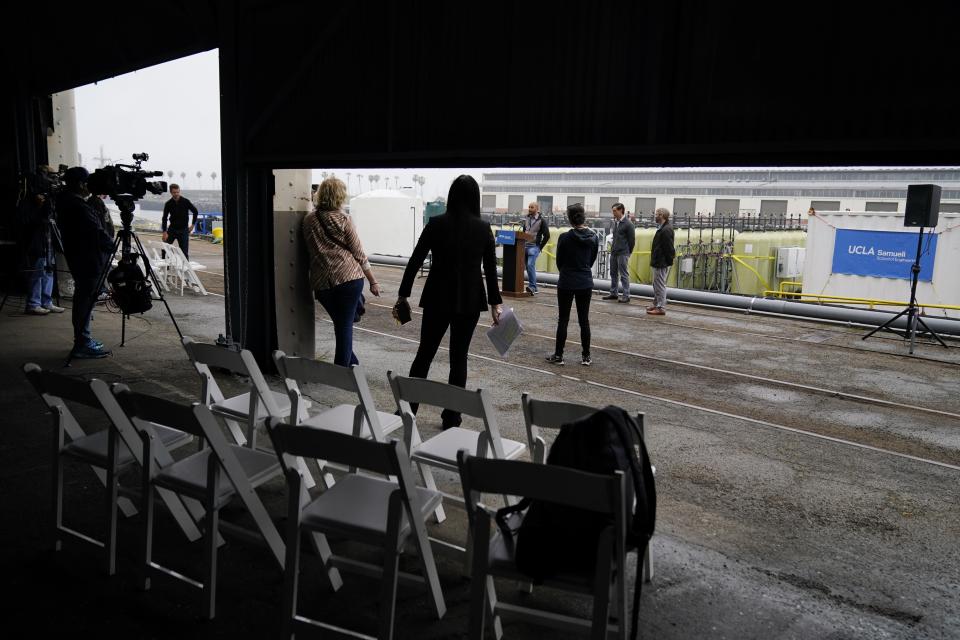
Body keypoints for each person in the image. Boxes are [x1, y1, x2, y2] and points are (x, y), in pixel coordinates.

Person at [397, 175, 502, 429]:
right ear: (475, 198)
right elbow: (490, 268)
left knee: (424, 354)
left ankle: (408, 410)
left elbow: (415, 259)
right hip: (469, 301)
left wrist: (403, 294)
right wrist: (495, 304)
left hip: (437, 298)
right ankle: (452, 417)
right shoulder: (483, 228)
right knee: (459, 359)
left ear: (452, 196)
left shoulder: (436, 224)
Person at [303, 177, 380, 367]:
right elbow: (359, 254)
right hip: (349, 280)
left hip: (322, 284)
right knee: (344, 326)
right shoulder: (344, 220)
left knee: (341, 324)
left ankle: (352, 362)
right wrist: (373, 281)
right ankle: (341, 371)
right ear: (340, 196)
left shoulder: (308, 220)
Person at [56, 167, 114, 358]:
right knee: (85, 301)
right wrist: (112, 247)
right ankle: (82, 342)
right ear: (80, 184)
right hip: (88, 260)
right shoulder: (78, 206)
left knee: (84, 299)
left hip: (79, 258)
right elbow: (96, 232)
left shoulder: (66, 202)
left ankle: (83, 340)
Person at [546, 203, 598, 366]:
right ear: (584, 217)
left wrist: (567, 271)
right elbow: (592, 259)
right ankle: (586, 356)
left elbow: (559, 261)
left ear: (569, 219)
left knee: (563, 319)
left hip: (567, 281)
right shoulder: (594, 237)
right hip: (585, 281)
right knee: (584, 321)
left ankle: (559, 356)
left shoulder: (564, 237)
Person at [18, 166, 65, 315]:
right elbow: (25, 220)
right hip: (36, 242)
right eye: (49, 176)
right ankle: (33, 303)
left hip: (48, 240)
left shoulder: (49, 199)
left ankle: (47, 302)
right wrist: (39, 206)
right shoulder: (28, 200)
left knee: (49, 271)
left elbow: (53, 217)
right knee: (37, 272)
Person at [602, 202, 635, 303]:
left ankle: (626, 295)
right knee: (613, 273)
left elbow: (632, 240)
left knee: (623, 274)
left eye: (615, 211)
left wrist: (628, 252)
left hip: (623, 253)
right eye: (613, 211)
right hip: (614, 252)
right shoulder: (616, 222)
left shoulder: (628, 224)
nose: (613, 213)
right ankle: (614, 293)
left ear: (621, 210)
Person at [647, 207, 675, 316]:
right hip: (658, 260)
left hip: (661, 261)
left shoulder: (666, 230)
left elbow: (668, 248)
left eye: (657, 214)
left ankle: (661, 307)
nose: (655, 216)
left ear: (662, 215)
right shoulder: (663, 228)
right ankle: (656, 304)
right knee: (656, 284)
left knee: (659, 284)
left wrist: (668, 261)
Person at [161, 184, 199, 258]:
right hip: (172, 229)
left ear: (179, 191)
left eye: (178, 192)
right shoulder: (168, 203)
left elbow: (195, 212)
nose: (176, 194)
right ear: (171, 192)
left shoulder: (185, 201)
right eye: (174, 192)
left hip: (183, 230)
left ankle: (185, 268)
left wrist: (193, 225)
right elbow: (164, 218)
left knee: (184, 252)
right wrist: (164, 232)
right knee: (164, 249)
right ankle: (165, 266)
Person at [522, 202, 549, 295]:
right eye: (529, 207)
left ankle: (533, 287)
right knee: (528, 267)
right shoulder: (526, 218)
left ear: (537, 209)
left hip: (534, 247)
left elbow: (547, 235)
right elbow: (523, 232)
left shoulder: (542, 221)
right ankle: (534, 287)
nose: (529, 209)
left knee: (530, 265)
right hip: (524, 246)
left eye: (532, 207)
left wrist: (539, 247)